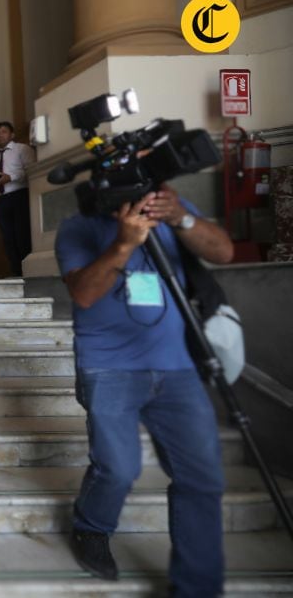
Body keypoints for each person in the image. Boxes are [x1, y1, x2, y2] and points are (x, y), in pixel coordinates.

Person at [55, 182, 232, 595]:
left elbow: (223, 252)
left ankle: (196, 587)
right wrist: (123, 243)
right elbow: (83, 293)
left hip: (178, 367)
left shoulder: (173, 210)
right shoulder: (78, 227)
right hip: (109, 366)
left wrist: (181, 217)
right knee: (118, 469)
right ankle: (91, 525)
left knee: (202, 476)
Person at [0, 121, 34, 276]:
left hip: (20, 196)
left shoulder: (22, 149)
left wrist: (11, 177)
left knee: (22, 234)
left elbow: (31, 170)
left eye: (4, 132)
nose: (0, 135)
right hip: (3, 200)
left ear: (12, 135)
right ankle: (16, 273)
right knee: (8, 238)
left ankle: (28, 272)